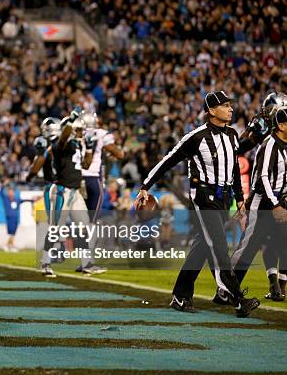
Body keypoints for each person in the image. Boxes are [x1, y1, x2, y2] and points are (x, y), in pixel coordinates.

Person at [136, 91, 260, 318]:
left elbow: (233, 168)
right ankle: (237, 298)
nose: (231, 109)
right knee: (219, 246)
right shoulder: (196, 137)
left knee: (202, 246)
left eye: (231, 105)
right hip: (204, 197)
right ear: (212, 110)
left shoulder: (232, 135)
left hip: (224, 198)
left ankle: (180, 295)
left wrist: (240, 198)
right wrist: (145, 186)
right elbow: (168, 160)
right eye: (225, 105)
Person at [230, 103, 287, 302]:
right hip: (263, 203)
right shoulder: (270, 143)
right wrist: (275, 204)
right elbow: (262, 177)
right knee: (249, 246)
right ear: (280, 125)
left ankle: (278, 286)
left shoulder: (283, 145)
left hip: (278, 202)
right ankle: (227, 288)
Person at [39, 113, 92, 278]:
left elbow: (86, 165)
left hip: (75, 191)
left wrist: (89, 148)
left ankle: (85, 264)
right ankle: (45, 262)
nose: (82, 132)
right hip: (62, 190)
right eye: (79, 129)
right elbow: (63, 138)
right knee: (55, 227)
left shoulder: (77, 145)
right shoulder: (60, 143)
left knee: (84, 227)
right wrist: (69, 121)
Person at [77, 111, 124, 274]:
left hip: (78, 180)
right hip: (93, 181)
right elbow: (119, 153)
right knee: (92, 223)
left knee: (81, 222)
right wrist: (110, 153)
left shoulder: (78, 133)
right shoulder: (101, 134)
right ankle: (88, 262)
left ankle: (83, 261)